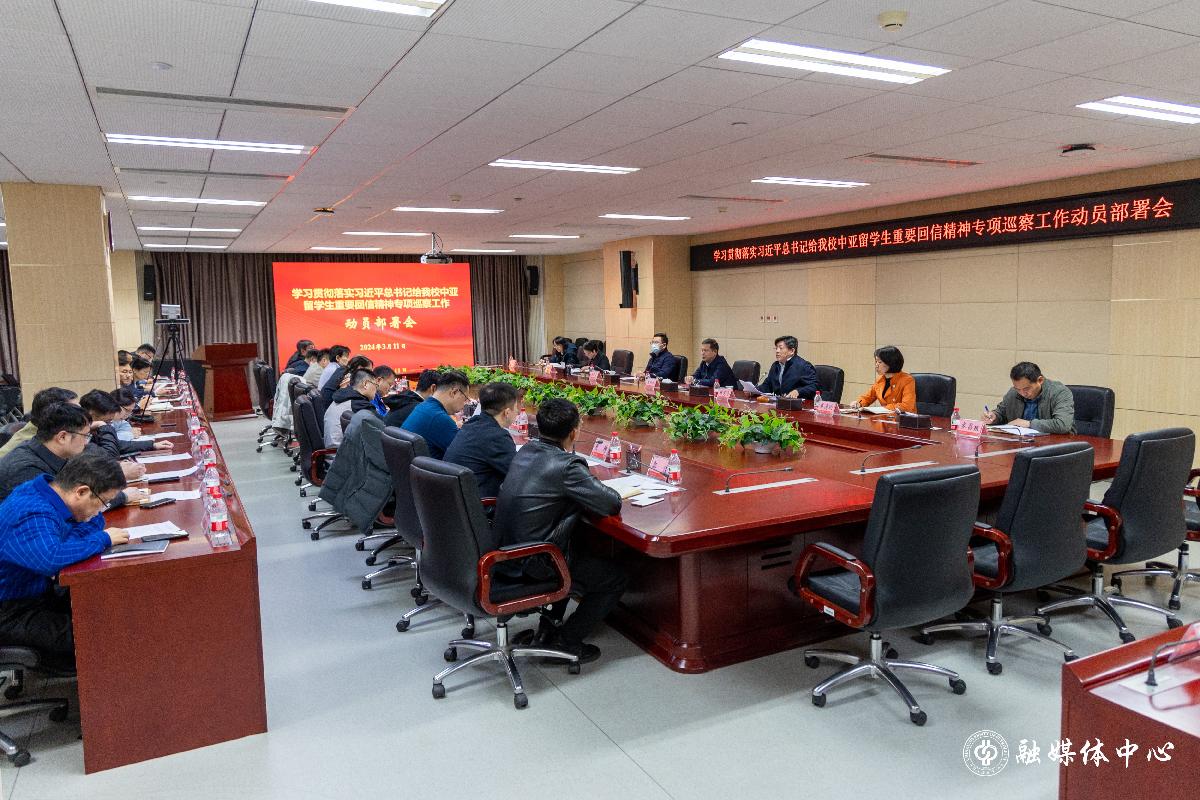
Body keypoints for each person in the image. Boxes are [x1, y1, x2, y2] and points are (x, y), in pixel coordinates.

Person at [492, 398, 625, 664]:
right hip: (534, 563)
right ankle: (569, 640)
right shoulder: (566, 466)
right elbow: (611, 503)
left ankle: (549, 626)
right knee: (615, 577)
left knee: (574, 545)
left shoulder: (526, 450)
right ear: (574, 432)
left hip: (504, 555)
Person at [0, 453, 130, 669]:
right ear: (82, 492)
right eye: (103, 502)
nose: (101, 510)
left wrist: (82, 536)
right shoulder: (32, 511)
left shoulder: (49, 495)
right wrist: (103, 539)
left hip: (37, 595)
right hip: (11, 612)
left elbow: (89, 526)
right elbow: (52, 558)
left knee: (110, 606)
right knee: (98, 635)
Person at [444, 382, 520, 498]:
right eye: (516, 407)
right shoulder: (496, 436)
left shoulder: (470, 424)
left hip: (455, 499)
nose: (518, 412)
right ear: (507, 412)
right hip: (480, 504)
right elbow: (519, 476)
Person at [982, 362, 1076, 434]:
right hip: (1021, 442)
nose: (1022, 393)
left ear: (1040, 380)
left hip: (1055, 444)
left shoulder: (1059, 392)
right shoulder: (1013, 392)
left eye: (1026, 389)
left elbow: (1063, 424)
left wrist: (1029, 424)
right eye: (1018, 389)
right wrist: (994, 416)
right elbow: (1001, 413)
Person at [79, 390, 172, 457]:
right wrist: (102, 425)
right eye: (107, 421)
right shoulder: (78, 435)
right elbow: (111, 456)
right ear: (91, 414)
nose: (109, 424)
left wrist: (152, 445)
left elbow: (117, 444)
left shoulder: (91, 430)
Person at [400, 369, 468, 458]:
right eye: (465, 398)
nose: (464, 404)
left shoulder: (423, 406)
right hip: (429, 466)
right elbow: (466, 454)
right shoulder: (438, 417)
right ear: (454, 392)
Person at [0, 387, 78, 459]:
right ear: (54, 416)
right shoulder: (35, 447)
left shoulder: (40, 431)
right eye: (75, 412)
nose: (81, 415)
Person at [324, 370, 381, 448]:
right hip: (340, 452)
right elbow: (382, 429)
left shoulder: (343, 396)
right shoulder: (360, 404)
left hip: (332, 449)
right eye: (376, 386)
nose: (376, 390)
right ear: (366, 384)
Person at [852, 346, 917, 413]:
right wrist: (859, 403)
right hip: (886, 417)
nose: (876, 365)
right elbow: (868, 397)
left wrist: (883, 408)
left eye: (879, 362)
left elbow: (907, 406)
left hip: (903, 418)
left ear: (891, 363)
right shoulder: (880, 380)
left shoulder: (907, 380)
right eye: (876, 361)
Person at [757, 335, 818, 399]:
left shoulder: (803, 366)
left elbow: (815, 386)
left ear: (792, 351)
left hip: (798, 403)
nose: (777, 351)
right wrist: (753, 391)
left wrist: (798, 391)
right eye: (776, 348)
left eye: (780, 348)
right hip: (779, 402)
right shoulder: (775, 365)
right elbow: (767, 386)